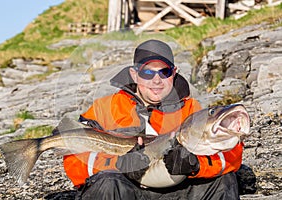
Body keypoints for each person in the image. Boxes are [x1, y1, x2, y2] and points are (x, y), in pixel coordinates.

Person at [63, 39, 243, 199]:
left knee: (224, 180)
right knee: (106, 183)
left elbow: (231, 153)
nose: (156, 80)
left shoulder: (191, 109)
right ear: (134, 74)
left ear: (174, 73)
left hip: (178, 190)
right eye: (147, 73)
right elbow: (74, 157)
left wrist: (196, 165)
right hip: (128, 190)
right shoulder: (104, 108)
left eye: (164, 72)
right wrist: (119, 164)